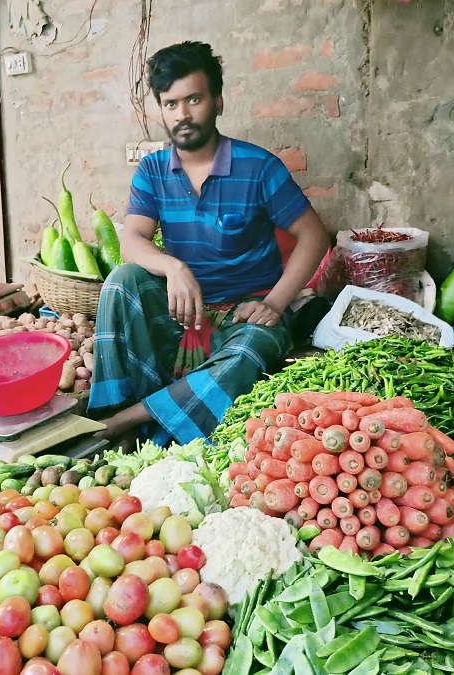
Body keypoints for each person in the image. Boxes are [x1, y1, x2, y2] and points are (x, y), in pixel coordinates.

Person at [89, 41, 330, 447]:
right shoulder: (152, 170)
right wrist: (174, 268)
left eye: (194, 99)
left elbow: (314, 235)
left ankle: (129, 419)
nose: (182, 114)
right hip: (182, 314)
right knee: (122, 280)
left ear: (218, 101)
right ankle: (117, 405)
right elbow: (131, 240)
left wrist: (274, 302)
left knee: (251, 354)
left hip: (245, 317)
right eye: (170, 104)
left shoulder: (257, 166)